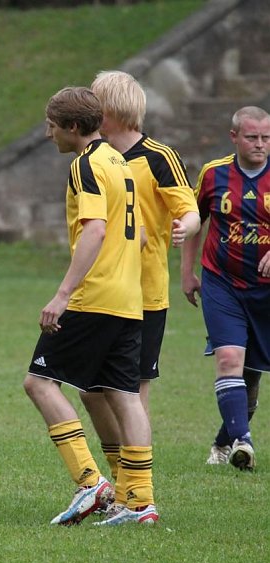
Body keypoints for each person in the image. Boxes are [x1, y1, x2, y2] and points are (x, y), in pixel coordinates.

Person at [22, 87, 157, 526]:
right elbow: (133, 235)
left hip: (94, 297)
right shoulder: (120, 161)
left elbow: (96, 230)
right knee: (124, 394)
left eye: (52, 125)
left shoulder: (86, 165)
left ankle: (89, 482)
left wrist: (62, 295)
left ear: (74, 128)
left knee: (39, 383)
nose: (48, 134)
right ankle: (139, 501)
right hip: (128, 299)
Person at [82, 71, 200, 511]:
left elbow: (188, 211)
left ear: (108, 109)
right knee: (90, 390)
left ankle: (135, 495)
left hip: (143, 296)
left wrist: (183, 228)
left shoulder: (157, 156)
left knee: (131, 392)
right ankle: (120, 481)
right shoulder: (94, 157)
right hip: (99, 291)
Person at [181, 106, 270, 471]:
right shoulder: (214, 173)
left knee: (250, 374)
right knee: (230, 360)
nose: (260, 145)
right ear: (234, 137)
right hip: (222, 283)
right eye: (252, 137)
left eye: (266, 138)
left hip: (265, 291)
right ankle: (242, 442)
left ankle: (223, 441)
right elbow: (193, 221)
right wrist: (187, 273)